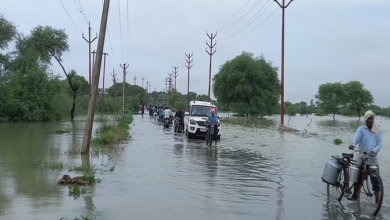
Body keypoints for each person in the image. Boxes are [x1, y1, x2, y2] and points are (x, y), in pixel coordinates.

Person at [348, 110, 382, 204]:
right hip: (361, 156)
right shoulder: (361, 129)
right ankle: (355, 195)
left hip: (372, 158)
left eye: (372, 118)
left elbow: (379, 144)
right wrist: (353, 144)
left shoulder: (377, 131)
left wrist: (374, 150)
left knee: (376, 180)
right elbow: (356, 138)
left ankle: (377, 202)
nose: (370, 120)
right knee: (358, 178)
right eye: (369, 118)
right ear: (365, 120)